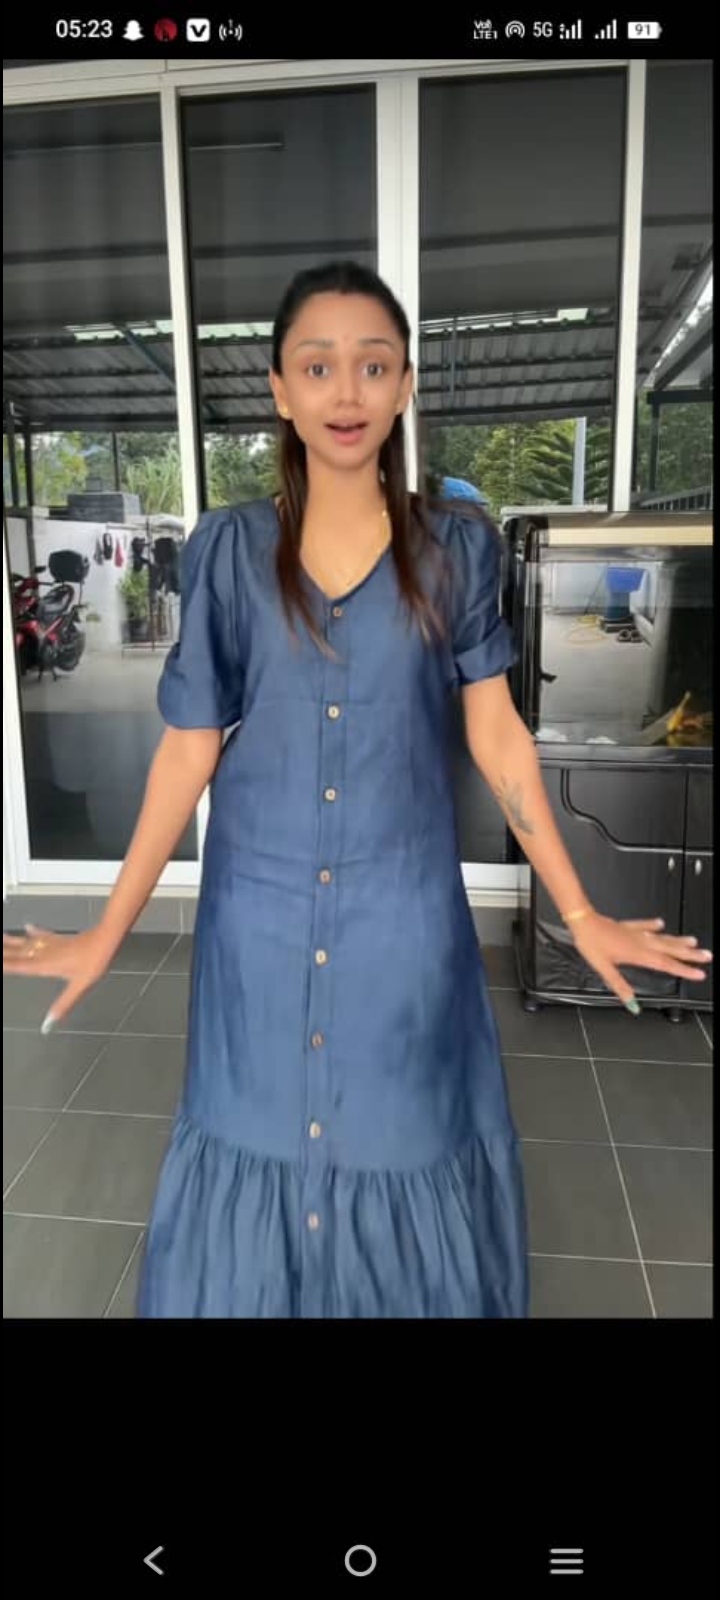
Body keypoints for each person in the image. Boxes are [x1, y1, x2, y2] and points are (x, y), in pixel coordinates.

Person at [4, 261, 712, 1319]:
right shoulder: (229, 552)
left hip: (402, 925)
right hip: (257, 926)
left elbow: (499, 740)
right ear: (281, 391)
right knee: (252, 1142)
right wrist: (109, 932)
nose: (347, 392)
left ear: (405, 385)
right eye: (318, 366)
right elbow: (187, 754)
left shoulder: (456, 550)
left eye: (373, 366)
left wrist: (578, 912)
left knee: (405, 1136)